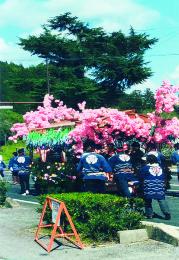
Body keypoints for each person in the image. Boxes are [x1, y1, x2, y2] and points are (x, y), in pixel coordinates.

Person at [139, 154, 171, 220]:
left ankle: (149, 214)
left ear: (148, 160)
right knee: (161, 199)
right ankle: (167, 214)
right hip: (160, 186)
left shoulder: (145, 168)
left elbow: (141, 177)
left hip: (149, 187)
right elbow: (166, 176)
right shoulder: (161, 167)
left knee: (147, 200)